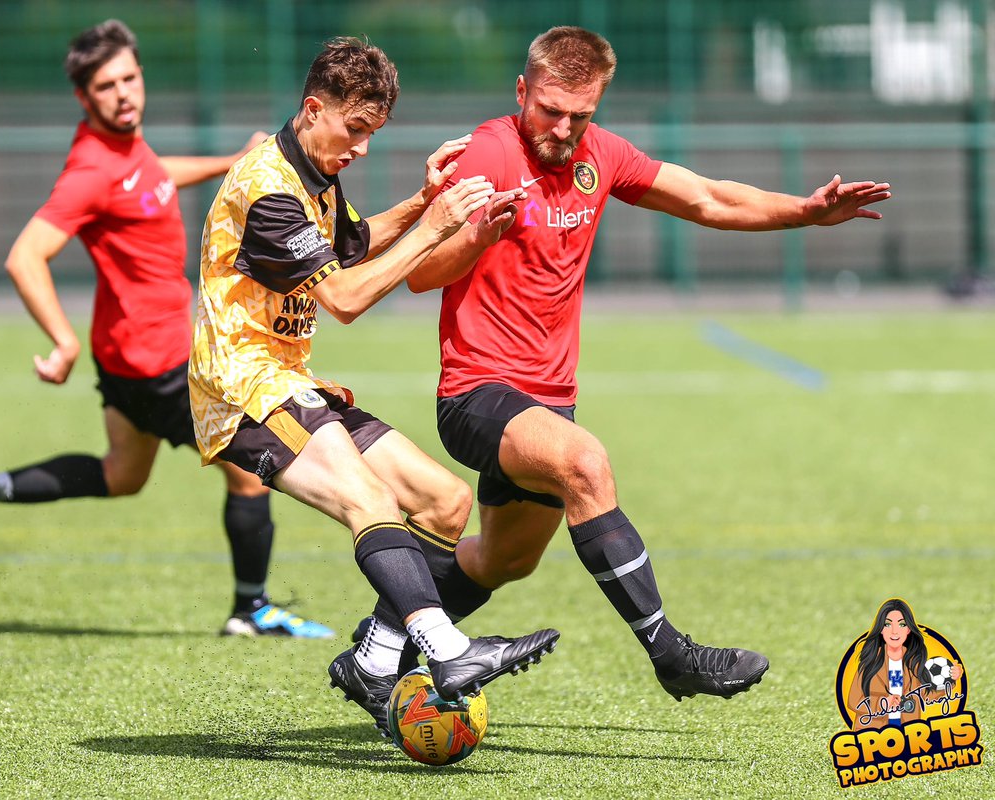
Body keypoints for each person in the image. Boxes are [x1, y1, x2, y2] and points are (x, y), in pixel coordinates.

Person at [345, 25, 895, 709]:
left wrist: (805, 213)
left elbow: (707, 197)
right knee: (586, 466)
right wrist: (478, 237)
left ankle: (375, 652)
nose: (563, 127)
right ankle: (671, 653)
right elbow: (423, 272)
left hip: (548, 402)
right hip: (477, 393)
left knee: (502, 559)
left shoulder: (599, 154)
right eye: (550, 109)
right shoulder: (488, 151)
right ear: (523, 91)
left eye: (581, 114)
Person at [0, 19, 333, 639]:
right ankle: (252, 610)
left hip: (131, 356)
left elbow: (153, 175)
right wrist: (62, 341)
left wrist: (228, 162)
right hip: (156, 359)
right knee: (248, 472)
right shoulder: (90, 171)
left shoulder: (123, 150)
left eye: (130, 78)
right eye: (106, 86)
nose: (124, 93)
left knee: (122, 475)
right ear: (85, 98)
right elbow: (24, 257)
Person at [188, 36, 558, 734]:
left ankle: (373, 661)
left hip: (287, 382)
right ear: (312, 108)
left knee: (444, 503)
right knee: (371, 498)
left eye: (372, 134)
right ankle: (448, 653)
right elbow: (348, 298)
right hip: (242, 390)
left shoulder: (313, 175)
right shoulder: (267, 186)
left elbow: (351, 243)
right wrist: (436, 229)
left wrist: (426, 201)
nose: (360, 147)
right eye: (354, 130)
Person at [847, 598, 963, 730]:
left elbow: (924, 693)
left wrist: (951, 679)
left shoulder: (914, 661)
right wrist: (882, 703)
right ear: (880, 629)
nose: (894, 631)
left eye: (901, 624)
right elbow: (853, 700)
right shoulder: (871, 661)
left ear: (908, 629)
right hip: (874, 731)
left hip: (908, 729)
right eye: (887, 624)